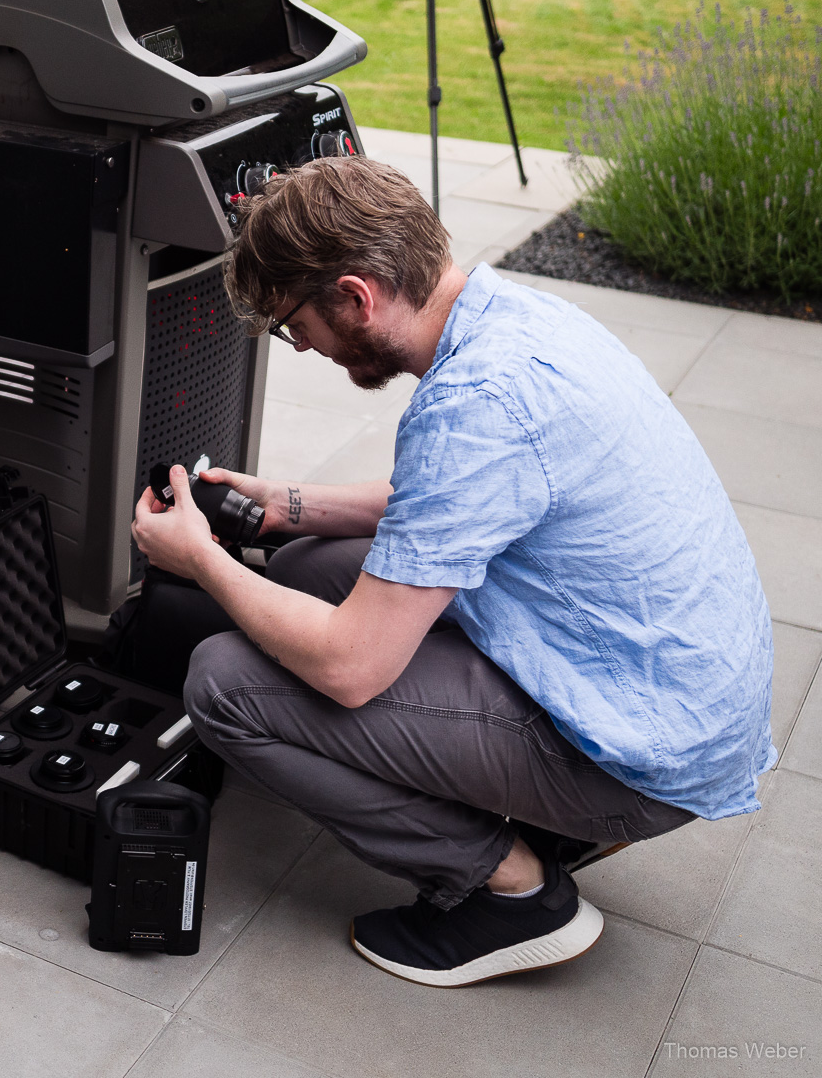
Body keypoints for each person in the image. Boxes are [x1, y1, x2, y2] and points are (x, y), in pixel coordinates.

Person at [130, 156, 773, 987]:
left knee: (223, 682)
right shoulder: (516, 318)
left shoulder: (475, 408)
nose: (304, 348)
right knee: (311, 565)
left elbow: (350, 669)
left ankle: (510, 893)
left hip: (643, 753)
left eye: (295, 327)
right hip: (672, 688)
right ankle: (537, 817)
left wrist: (202, 561)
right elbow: (443, 499)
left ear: (356, 296)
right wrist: (286, 503)